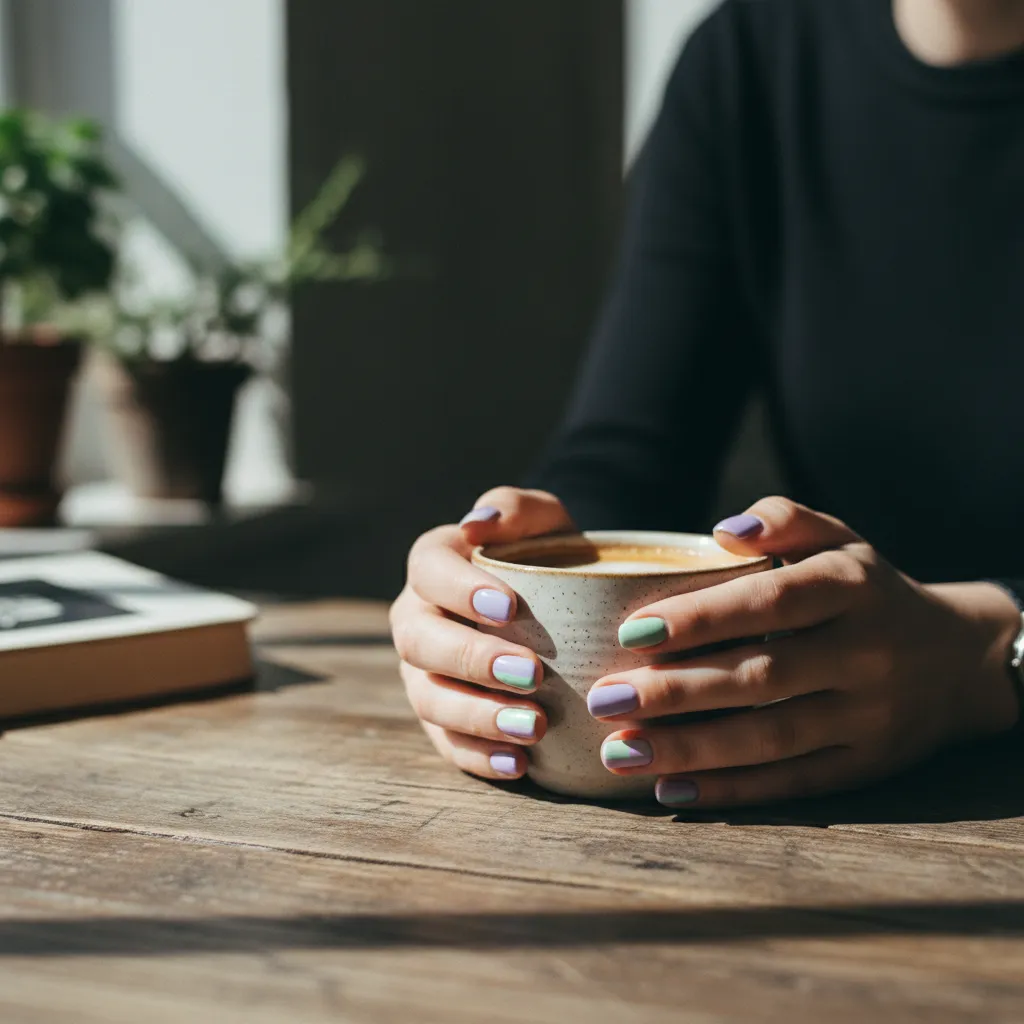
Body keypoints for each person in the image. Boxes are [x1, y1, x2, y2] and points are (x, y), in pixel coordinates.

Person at [389, 0, 1024, 808]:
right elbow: (631, 453)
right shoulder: (754, 56)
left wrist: (984, 649)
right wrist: (501, 604)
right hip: (822, 790)